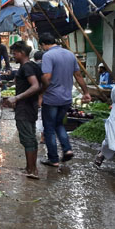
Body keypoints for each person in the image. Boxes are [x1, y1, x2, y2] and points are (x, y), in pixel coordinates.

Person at [38, 32, 92, 167]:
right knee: (59, 124)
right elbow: (79, 75)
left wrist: (40, 94)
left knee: (49, 128)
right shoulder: (69, 54)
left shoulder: (48, 55)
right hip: (66, 98)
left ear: (44, 44)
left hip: (51, 98)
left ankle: (53, 159)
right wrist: (86, 92)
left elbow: (47, 77)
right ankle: (67, 149)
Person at [5, 42, 42, 179]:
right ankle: (30, 168)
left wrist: (17, 98)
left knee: (27, 138)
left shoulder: (27, 67)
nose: (13, 56)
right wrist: (38, 98)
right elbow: (44, 84)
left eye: (14, 53)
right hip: (30, 105)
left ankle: (32, 170)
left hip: (25, 107)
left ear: (22, 52)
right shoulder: (33, 66)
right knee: (30, 137)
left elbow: (35, 85)